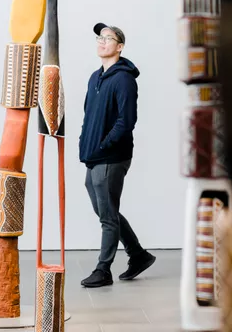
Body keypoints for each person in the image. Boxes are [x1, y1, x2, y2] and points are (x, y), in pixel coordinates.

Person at [78, 22, 156, 288]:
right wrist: (84, 143)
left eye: (108, 38)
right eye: (99, 37)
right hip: (94, 156)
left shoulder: (124, 79)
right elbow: (88, 115)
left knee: (107, 216)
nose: (102, 41)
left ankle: (103, 269)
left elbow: (127, 121)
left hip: (112, 157)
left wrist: (104, 145)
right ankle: (138, 254)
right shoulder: (95, 77)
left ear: (120, 47)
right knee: (105, 211)